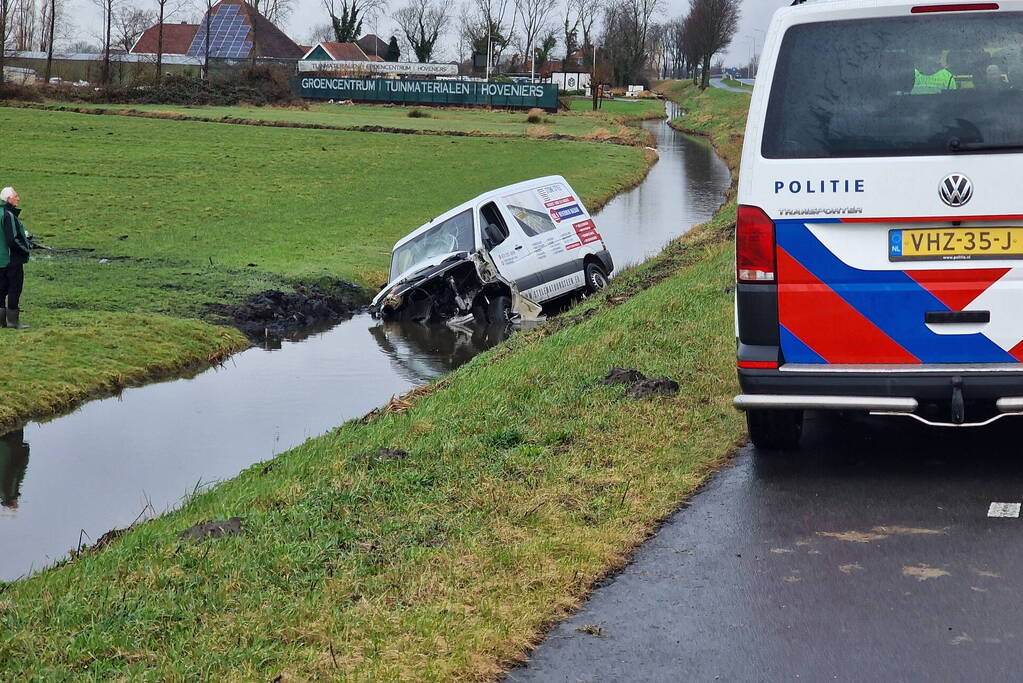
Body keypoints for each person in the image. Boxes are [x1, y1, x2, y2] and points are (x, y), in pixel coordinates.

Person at [0, 186, 32, 329]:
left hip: (1, 259)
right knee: (15, 288)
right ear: (8, 199)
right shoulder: (9, 215)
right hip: (11, 259)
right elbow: (12, 239)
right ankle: (13, 321)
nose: (18, 198)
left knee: (1, 290)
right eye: (16, 196)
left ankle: (1, 321)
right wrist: (25, 249)